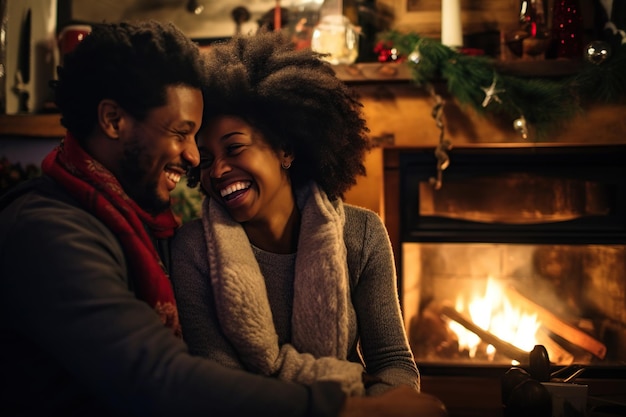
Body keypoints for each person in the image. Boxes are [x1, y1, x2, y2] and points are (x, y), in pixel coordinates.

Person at [0, 20, 447, 417]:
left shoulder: (130, 222)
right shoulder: (49, 231)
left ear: (287, 148)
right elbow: (160, 377)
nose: (196, 159)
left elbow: (392, 358)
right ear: (113, 120)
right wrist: (346, 407)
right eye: (182, 134)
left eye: (217, 143)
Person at [170, 30, 419, 398]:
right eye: (205, 161)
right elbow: (218, 382)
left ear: (285, 149)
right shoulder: (193, 249)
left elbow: (395, 362)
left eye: (234, 148)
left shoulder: (362, 233)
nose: (218, 170)